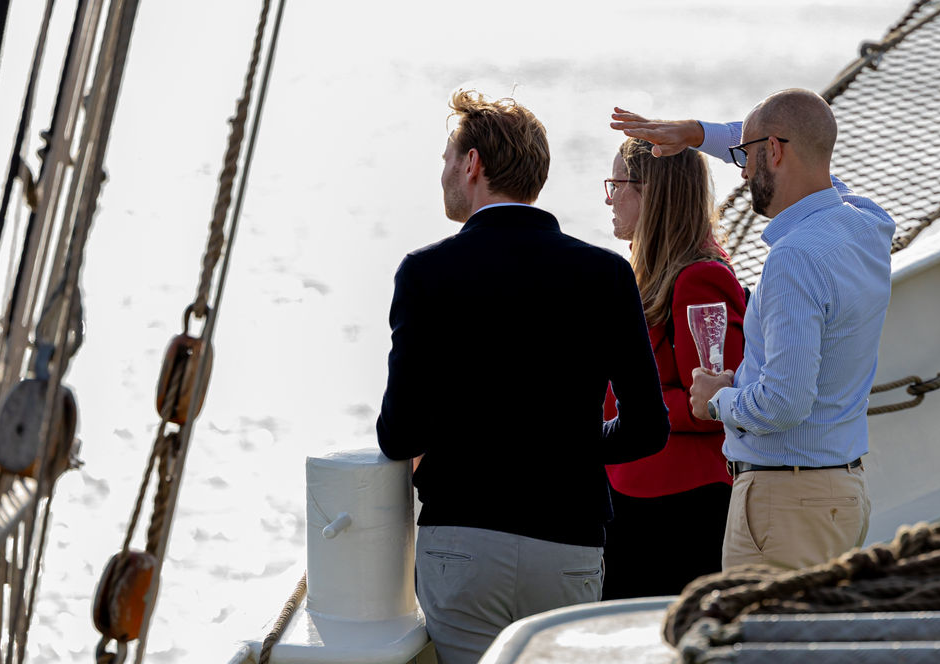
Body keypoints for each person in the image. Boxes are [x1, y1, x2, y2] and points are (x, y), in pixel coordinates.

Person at [378, 91, 668, 664]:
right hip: (567, 542)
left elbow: (398, 435)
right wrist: (577, 446)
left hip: (463, 542)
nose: (442, 173)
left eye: (446, 159)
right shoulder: (606, 275)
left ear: (472, 165)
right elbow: (647, 429)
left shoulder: (426, 273)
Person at [610, 89, 893, 573]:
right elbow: (814, 160)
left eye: (746, 157)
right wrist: (698, 136)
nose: (740, 172)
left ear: (775, 152)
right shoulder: (867, 223)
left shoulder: (793, 257)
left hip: (786, 500)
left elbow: (784, 402)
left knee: (762, 645)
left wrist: (719, 398)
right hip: (839, 490)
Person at [600, 137, 747, 598]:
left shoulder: (701, 277)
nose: (608, 197)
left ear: (651, 193)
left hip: (681, 506)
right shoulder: (647, 274)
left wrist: (635, 405)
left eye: (616, 184)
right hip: (635, 495)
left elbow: (714, 404)